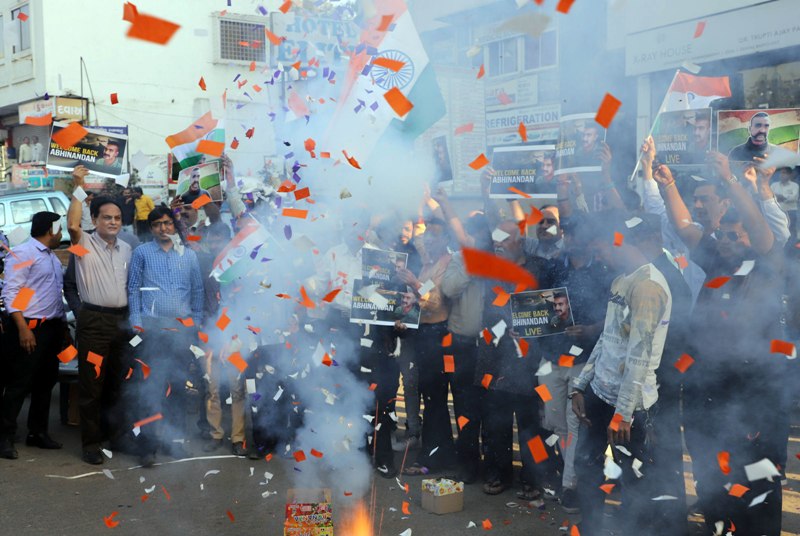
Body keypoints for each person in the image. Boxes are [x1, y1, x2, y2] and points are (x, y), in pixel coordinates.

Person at [656, 160, 787, 535]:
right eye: (724, 236)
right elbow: (684, 228)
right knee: (710, 477)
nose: (728, 242)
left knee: (756, 482)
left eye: (737, 236)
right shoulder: (715, 258)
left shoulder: (768, 265)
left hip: (755, 393)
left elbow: (761, 233)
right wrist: (667, 186)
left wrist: (732, 181)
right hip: (706, 389)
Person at [570, 214, 673, 536]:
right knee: (586, 467)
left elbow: (639, 355)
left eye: (601, 248)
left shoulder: (648, 287)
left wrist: (624, 414)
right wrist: (580, 385)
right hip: (599, 395)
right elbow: (607, 339)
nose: (598, 256)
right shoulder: (621, 280)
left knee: (635, 479)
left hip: (632, 410)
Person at [537, 214, 612, 512]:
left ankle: (572, 485)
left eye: (575, 234)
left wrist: (593, 329)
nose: (569, 239)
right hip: (551, 358)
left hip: (585, 359)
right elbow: (535, 304)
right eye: (566, 233)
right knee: (554, 422)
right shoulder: (552, 266)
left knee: (575, 422)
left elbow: (615, 315)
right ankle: (567, 475)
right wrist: (526, 325)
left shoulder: (605, 271)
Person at [474, 220, 549, 499]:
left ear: (520, 241)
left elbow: (552, 309)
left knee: (532, 426)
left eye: (504, 239)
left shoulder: (539, 268)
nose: (497, 244)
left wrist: (533, 328)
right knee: (495, 425)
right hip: (493, 359)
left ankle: (533, 479)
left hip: (528, 362)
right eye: (495, 239)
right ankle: (498, 474)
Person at [127, 206, 204, 466]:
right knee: (150, 388)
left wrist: (196, 326)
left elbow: (197, 293)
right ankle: (147, 447)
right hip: (152, 330)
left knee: (178, 389)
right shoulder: (142, 253)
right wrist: (137, 324)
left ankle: (175, 443)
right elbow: (133, 290)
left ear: (174, 225)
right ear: (151, 228)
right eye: (158, 224)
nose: (164, 228)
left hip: (181, 331)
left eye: (168, 223)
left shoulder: (189, 256)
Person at [66, 165, 132, 465]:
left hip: (122, 321)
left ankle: (114, 436)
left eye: (117, 218)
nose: (113, 222)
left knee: (118, 381)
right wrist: (78, 186)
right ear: (95, 220)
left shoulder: (128, 249)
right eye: (107, 217)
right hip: (94, 322)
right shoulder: (83, 244)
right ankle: (91, 443)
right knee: (91, 383)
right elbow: (72, 224)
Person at [0, 211, 66, 459]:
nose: (62, 234)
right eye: (60, 229)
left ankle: (37, 432)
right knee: (19, 383)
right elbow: (12, 294)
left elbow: (33, 291)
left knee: (45, 382)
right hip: (28, 329)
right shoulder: (25, 253)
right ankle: (4, 437)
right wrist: (23, 327)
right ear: (52, 230)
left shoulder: (50, 256)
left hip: (51, 328)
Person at [398, 218, 455, 476]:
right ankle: (439, 453)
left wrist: (414, 283)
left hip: (438, 335)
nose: (428, 242)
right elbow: (423, 301)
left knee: (434, 400)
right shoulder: (428, 262)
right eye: (427, 238)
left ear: (444, 240)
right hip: (425, 333)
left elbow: (436, 301)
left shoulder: (446, 263)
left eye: (434, 238)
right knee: (430, 397)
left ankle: (433, 457)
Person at [440, 212, 491, 484]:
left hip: (492, 348)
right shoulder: (458, 259)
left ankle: (493, 464)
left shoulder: (497, 261)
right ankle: (468, 466)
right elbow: (448, 289)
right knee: (465, 408)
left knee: (491, 408)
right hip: (462, 346)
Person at [771, 167, 798, 239]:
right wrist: (781, 197)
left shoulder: (794, 186)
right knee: (778, 230)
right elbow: (769, 196)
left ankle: (792, 248)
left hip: (790, 212)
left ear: (789, 175)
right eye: (781, 173)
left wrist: (779, 197)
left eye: (784, 173)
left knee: (791, 231)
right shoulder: (774, 185)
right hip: (778, 212)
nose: (781, 175)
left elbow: (793, 198)